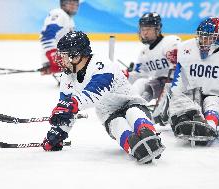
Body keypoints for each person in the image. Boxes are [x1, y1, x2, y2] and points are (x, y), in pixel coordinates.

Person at [41, 31, 165, 164]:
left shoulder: (102, 65)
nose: (62, 60)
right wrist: (58, 132)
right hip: (108, 114)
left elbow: (95, 93)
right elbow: (65, 107)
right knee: (118, 124)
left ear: (76, 56)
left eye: (64, 56)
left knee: (132, 112)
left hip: (131, 103)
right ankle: (134, 146)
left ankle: (150, 135)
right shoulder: (67, 76)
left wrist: (71, 106)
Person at [169, 17, 219, 145]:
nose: (203, 41)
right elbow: (178, 83)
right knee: (180, 98)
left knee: (212, 100)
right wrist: (174, 104)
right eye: (201, 37)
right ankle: (183, 121)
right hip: (194, 100)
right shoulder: (186, 48)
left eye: (209, 37)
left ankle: (210, 126)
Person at [124, 12, 181, 126]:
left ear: (157, 29)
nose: (144, 32)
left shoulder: (170, 42)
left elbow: (179, 67)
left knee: (163, 85)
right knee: (147, 86)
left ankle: (162, 112)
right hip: (160, 83)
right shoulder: (144, 52)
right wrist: (125, 75)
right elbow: (140, 73)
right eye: (143, 29)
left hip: (179, 83)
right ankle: (137, 110)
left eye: (149, 29)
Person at [39, 0, 79, 75]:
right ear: (63, 4)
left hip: (62, 56)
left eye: (75, 4)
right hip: (54, 56)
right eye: (70, 3)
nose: (74, 6)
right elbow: (47, 35)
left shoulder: (69, 19)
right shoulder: (59, 13)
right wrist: (53, 55)